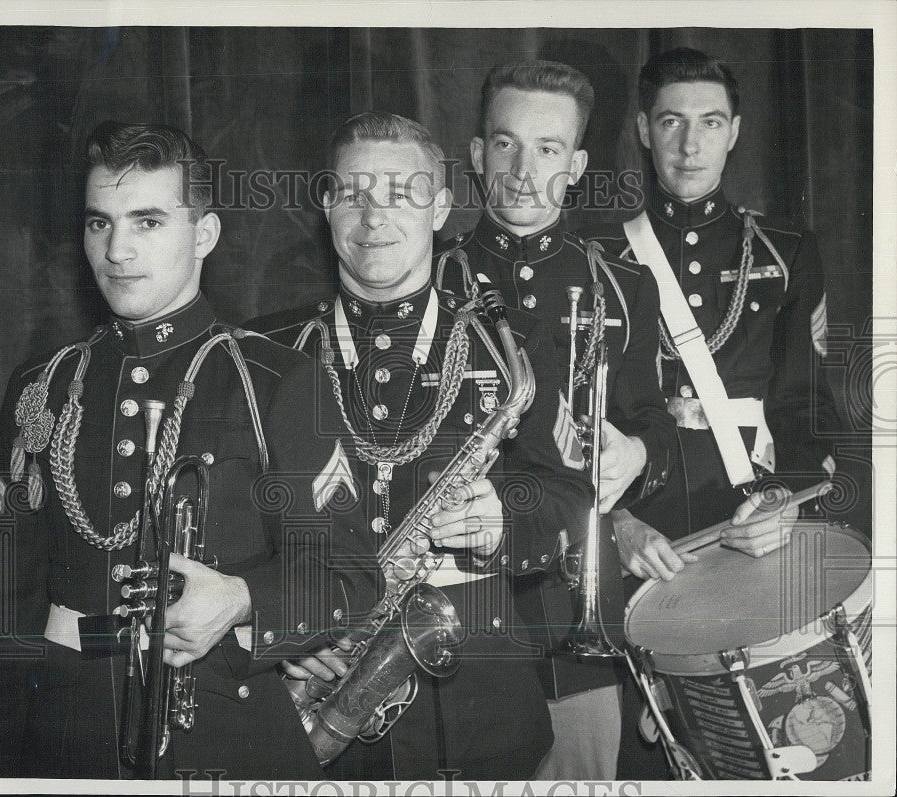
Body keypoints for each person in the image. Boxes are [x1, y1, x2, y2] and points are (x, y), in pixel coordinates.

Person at [0, 121, 380, 780]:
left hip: (224, 733)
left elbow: (351, 576)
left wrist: (242, 597)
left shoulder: (276, 380)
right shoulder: (40, 383)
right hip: (61, 733)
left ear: (204, 235)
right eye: (100, 223)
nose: (118, 250)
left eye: (148, 222)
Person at [248, 111, 595, 780]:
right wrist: (282, 623)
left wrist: (505, 519)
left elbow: (571, 497)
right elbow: (237, 528)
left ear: (440, 206)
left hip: (482, 700)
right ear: (326, 205)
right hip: (314, 685)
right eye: (353, 192)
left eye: (403, 193)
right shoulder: (264, 356)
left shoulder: (511, 349)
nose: (374, 215)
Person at [580, 48, 842, 779]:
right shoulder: (596, 257)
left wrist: (785, 500)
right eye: (671, 122)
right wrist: (617, 524)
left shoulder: (789, 250)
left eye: (709, 122)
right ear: (641, 129)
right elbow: (573, 424)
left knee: (762, 747)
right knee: (650, 754)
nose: (690, 145)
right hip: (644, 535)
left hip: (750, 527)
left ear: (735, 132)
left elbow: (804, 406)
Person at [448, 60, 677, 780]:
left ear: (576, 165)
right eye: (506, 144)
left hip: (579, 617)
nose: (522, 168)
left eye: (547, 149)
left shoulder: (623, 282)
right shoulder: (429, 277)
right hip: (460, 614)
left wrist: (638, 452)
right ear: (478, 154)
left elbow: (657, 423)